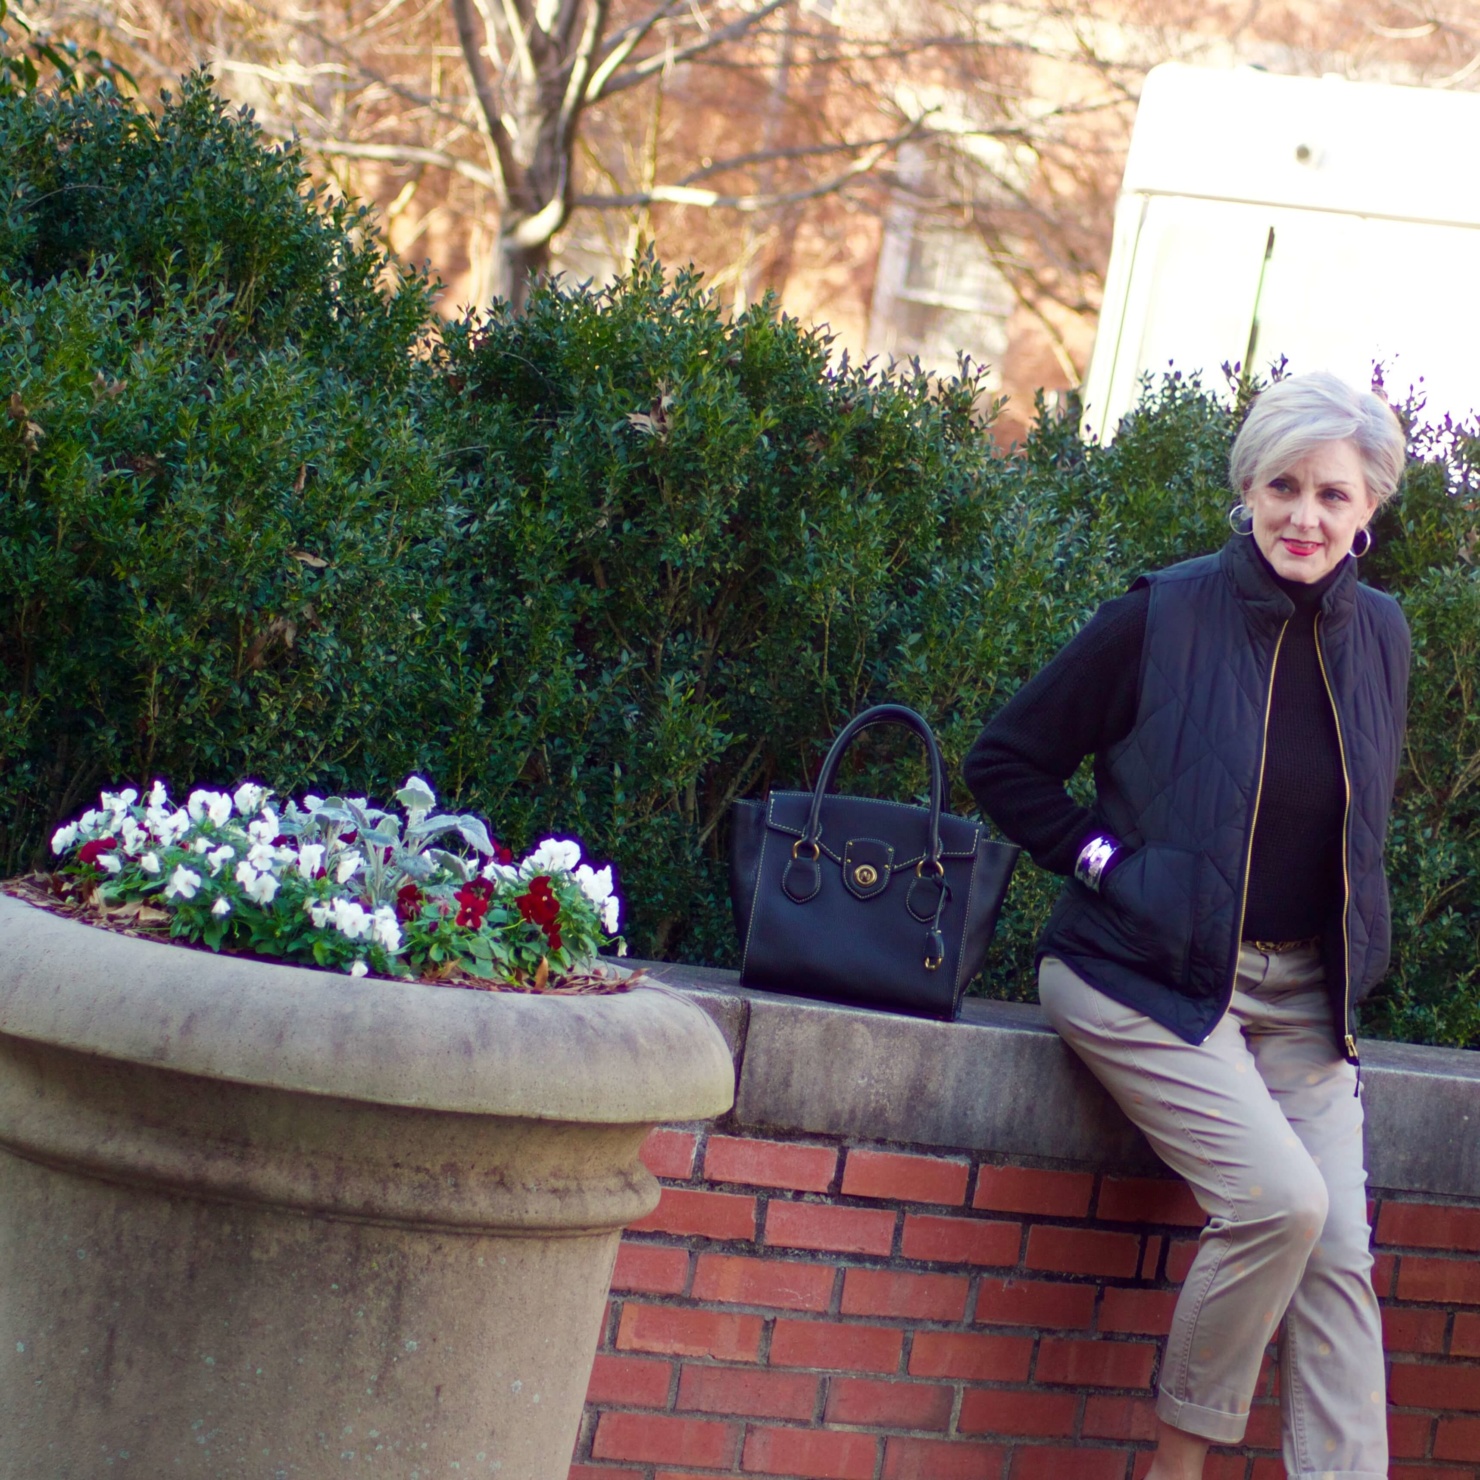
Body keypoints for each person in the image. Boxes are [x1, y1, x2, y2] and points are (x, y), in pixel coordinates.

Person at [965, 370, 1408, 1480]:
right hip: (1137, 972)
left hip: (1302, 995)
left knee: (1342, 1259)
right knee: (1278, 1203)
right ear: (1247, 490)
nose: (1304, 515)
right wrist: (1113, 863)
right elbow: (1005, 762)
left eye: (1332, 495)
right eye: (1283, 486)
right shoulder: (1159, 615)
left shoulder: (1383, 639)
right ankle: (1175, 1465)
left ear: (1368, 513)